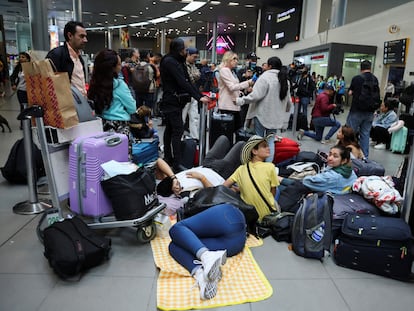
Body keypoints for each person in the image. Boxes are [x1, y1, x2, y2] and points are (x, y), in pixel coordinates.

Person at [168, 203, 246, 300]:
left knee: (176, 229)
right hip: (236, 242)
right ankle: (201, 275)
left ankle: (206, 256)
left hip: (228, 216)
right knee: (173, 246)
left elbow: (178, 229)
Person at [159, 38, 210, 172]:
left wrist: (198, 96)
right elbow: (183, 81)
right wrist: (199, 97)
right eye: (184, 49)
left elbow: (187, 80)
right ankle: (176, 162)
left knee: (171, 129)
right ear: (179, 49)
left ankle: (169, 158)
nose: (185, 51)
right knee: (177, 130)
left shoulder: (175, 61)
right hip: (171, 101)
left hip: (175, 101)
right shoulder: (170, 61)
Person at [236, 56, 292, 162]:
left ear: (270, 66)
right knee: (270, 141)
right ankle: (267, 166)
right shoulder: (285, 80)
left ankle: (258, 165)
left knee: (258, 140)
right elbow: (288, 101)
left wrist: (241, 100)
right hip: (276, 117)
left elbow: (256, 96)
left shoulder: (265, 78)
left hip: (262, 114)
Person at [223, 135, 279, 221]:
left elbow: (224, 186)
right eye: (264, 146)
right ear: (254, 151)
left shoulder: (241, 169)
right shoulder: (270, 167)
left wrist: (240, 189)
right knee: (276, 189)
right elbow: (273, 191)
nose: (268, 148)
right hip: (266, 215)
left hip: (249, 216)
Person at [87, 49, 136, 135]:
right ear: (112, 68)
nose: (121, 67)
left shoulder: (95, 84)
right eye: (119, 64)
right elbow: (132, 108)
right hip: (120, 126)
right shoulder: (119, 85)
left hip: (101, 125)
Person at [346, 60, 380, 158]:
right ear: (370, 68)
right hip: (370, 112)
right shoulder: (375, 79)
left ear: (361, 68)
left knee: (350, 134)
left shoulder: (357, 78)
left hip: (357, 110)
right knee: (365, 134)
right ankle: (364, 157)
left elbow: (350, 93)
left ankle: (349, 155)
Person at [46, 21, 88, 96]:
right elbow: (49, 83)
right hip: (66, 104)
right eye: (81, 36)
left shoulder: (79, 58)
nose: (85, 40)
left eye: (85, 36)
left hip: (81, 103)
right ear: (70, 36)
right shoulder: (56, 55)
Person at [218, 51, 253, 132]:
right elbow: (232, 87)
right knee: (231, 131)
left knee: (237, 129)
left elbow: (234, 87)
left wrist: (240, 92)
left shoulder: (232, 71)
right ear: (228, 59)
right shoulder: (224, 70)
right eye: (234, 59)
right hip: (227, 105)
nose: (236, 61)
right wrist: (248, 83)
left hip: (234, 104)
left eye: (237, 59)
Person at [182, 47, 201, 140]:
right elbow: (191, 77)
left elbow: (197, 75)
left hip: (193, 94)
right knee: (182, 116)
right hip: (185, 94)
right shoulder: (182, 65)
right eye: (194, 57)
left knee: (194, 117)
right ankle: (179, 137)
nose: (195, 59)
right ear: (188, 55)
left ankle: (195, 137)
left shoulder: (193, 65)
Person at [10, 52, 31, 128]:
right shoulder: (18, 67)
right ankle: (23, 124)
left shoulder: (31, 67)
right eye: (20, 57)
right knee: (23, 107)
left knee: (30, 107)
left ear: (27, 59)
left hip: (30, 91)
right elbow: (12, 76)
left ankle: (31, 123)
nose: (21, 58)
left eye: (23, 57)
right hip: (21, 91)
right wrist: (13, 84)